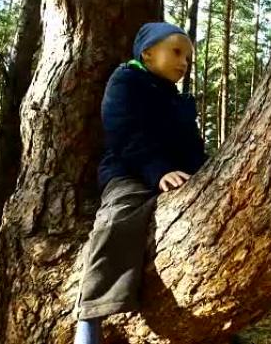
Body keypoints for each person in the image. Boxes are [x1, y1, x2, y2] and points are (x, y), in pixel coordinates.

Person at [73, 22, 206, 344]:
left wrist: (205, 172)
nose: (184, 62)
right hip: (128, 171)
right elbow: (124, 132)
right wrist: (156, 169)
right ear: (147, 53)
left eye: (188, 58)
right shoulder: (126, 80)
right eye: (176, 52)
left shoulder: (176, 98)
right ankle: (90, 318)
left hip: (172, 176)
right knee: (118, 219)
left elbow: (192, 146)